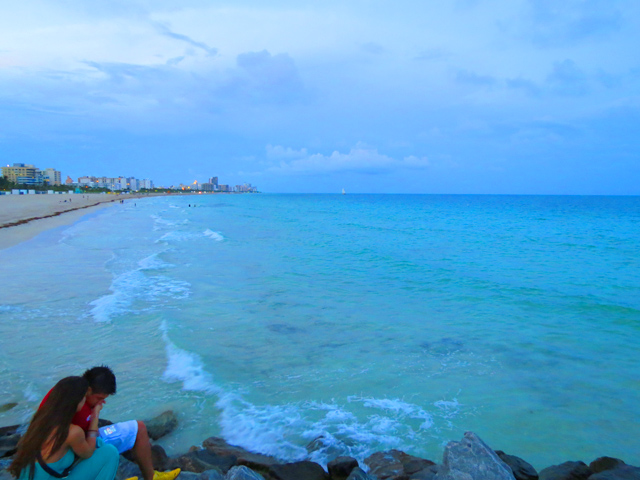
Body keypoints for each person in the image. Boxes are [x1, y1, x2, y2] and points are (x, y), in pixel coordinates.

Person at [40, 367, 180, 480]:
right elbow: (87, 445)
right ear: (88, 390)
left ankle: (152, 476)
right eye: (99, 398)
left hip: (69, 447)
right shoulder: (75, 406)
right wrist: (95, 416)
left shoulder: (66, 391)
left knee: (139, 427)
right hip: (72, 451)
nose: (101, 402)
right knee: (111, 451)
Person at [9, 376, 119, 480]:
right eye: (83, 398)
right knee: (110, 452)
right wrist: (95, 416)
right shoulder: (72, 432)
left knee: (98, 442)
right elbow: (88, 453)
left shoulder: (41, 419)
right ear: (75, 402)